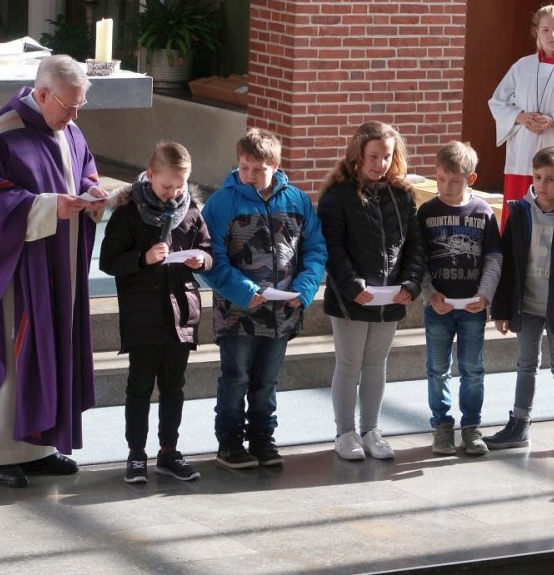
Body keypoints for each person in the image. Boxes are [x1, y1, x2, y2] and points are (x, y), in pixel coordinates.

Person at [0, 55, 107, 488]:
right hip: (12, 269)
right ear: (43, 93)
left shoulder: (68, 129)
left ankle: (38, 449)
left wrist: (92, 193)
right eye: (69, 105)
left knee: (48, 352)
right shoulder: (3, 133)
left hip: (56, 265)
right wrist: (48, 206)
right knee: (14, 352)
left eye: (80, 106)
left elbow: (83, 171)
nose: (75, 115)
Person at [202, 128, 327, 469]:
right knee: (237, 377)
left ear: (276, 165)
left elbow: (315, 250)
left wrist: (305, 289)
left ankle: (262, 438)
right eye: (244, 167)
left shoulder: (299, 202)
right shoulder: (222, 202)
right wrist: (244, 291)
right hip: (237, 311)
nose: (250, 176)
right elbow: (211, 257)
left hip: (281, 313)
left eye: (258, 169)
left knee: (267, 381)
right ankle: (229, 442)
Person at [99, 141, 213, 484]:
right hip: (143, 314)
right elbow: (108, 261)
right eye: (167, 186)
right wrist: (143, 258)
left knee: (174, 387)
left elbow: (209, 250)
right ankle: (136, 454)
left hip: (181, 315)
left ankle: (168, 451)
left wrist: (201, 259)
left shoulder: (191, 212)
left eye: (180, 186)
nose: (173, 193)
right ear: (150, 176)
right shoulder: (129, 213)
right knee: (139, 387)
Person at [317, 121, 426, 461]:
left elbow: (415, 247)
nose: (379, 164)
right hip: (352, 299)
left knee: (376, 364)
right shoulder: (338, 197)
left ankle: (372, 429)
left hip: (389, 297)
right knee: (349, 364)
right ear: (358, 156)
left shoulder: (403, 196)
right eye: (373, 156)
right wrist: (352, 284)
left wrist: (410, 283)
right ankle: (345, 432)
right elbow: (332, 248)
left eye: (386, 157)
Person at [486, 146, 554, 459]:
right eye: (537, 177)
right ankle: (519, 424)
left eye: (550, 179)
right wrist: (503, 309)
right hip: (527, 305)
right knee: (525, 365)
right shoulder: (520, 213)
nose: (542, 184)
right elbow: (507, 266)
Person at [417, 141, 502, 456]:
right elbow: (420, 261)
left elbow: (493, 258)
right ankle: (441, 426)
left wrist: (485, 294)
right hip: (438, 307)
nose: (446, 186)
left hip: (472, 308)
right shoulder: (427, 212)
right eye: (440, 178)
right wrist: (429, 293)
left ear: (472, 179)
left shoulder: (483, 212)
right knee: (436, 368)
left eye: (454, 180)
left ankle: (471, 427)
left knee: (472, 368)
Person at [488, 5, 554, 228]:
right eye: (546, 29)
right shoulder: (521, 66)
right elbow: (497, 102)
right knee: (520, 225)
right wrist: (520, 117)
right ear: (537, 32)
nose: (552, 35)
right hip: (524, 155)